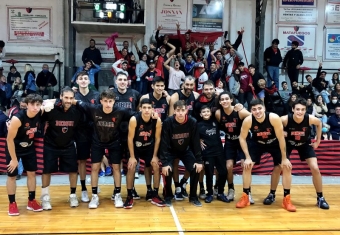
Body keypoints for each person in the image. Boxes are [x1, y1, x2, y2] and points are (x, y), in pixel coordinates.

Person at [73, 89, 136, 209]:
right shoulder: (93, 109)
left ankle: (117, 194)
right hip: (97, 142)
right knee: (95, 168)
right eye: (105, 101)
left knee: (117, 168)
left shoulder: (121, 111)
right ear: (101, 101)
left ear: (114, 102)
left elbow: (137, 115)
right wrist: (55, 101)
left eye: (110, 101)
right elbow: (75, 102)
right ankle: (95, 196)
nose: (108, 104)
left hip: (115, 142)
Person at [236, 99, 296, 212]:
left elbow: (280, 138)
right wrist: (247, 157)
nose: (257, 111)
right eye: (254, 109)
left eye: (259, 108)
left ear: (264, 108)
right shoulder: (248, 120)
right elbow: (242, 138)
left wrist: (284, 158)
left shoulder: (274, 118)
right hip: (257, 143)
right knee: (247, 165)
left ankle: (286, 198)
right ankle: (246, 196)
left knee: (286, 166)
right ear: (251, 111)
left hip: (274, 142)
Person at [281, 98, 329, 209]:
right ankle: (286, 198)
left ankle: (320, 198)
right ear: (293, 109)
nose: (300, 112)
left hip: (304, 143)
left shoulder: (310, 119)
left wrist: (318, 141)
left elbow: (319, 123)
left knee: (315, 168)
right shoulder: (285, 119)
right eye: (297, 109)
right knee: (286, 167)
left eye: (303, 109)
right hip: (289, 144)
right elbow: (273, 123)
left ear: (306, 110)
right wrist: (280, 130)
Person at [40, 87, 84, 210]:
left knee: (73, 171)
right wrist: (44, 105)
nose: (68, 100)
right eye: (66, 97)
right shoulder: (51, 109)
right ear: (61, 96)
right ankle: (45, 197)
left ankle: (73, 195)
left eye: (71, 98)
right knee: (47, 170)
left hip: (69, 144)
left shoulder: (77, 111)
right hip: (50, 144)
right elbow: (38, 117)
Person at [6, 94, 45, 216]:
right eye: (32, 104)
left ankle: (31, 201)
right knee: (12, 175)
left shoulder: (40, 112)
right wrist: (13, 159)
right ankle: (12, 203)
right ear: (26, 105)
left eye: (38, 105)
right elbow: (9, 140)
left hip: (29, 147)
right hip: (14, 148)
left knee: (32, 173)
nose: (35, 107)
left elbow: (52, 102)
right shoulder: (17, 119)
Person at [160, 100, 203, 207]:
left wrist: (199, 160)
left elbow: (195, 142)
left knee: (195, 168)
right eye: (178, 110)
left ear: (186, 111)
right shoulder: (168, 122)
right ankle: (168, 196)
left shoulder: (192, 122)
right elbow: (164, 143)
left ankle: (193, 197)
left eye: (182, 110)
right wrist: (165, 163)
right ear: (174, 111)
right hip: (170, 151)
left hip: (185, 150)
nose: (180, 113)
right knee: (167, 170)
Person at [125, 98, 164, 208]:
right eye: (144, 108)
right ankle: (129, 196)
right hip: (135, 146)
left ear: (152, 109)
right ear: (140, 108)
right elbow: (130, 138)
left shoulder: (157, 120)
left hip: (149, 146)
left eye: (149, 108)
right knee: (131, 166)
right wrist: (132, 157)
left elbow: (157, 138)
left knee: (154, 165)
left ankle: (153, 194)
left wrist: (155, 156)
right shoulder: (134, 119)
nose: (147, 110)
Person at [215, 91, 253, 202]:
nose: (224, 101)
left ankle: (247, 192)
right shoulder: (218, 113)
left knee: (245, 165)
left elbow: (254, 117)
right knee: (228, 166)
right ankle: (231, 189)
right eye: (222, 99)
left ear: (231, 100)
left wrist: (243, 108)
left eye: (227, 99)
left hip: (242, 141)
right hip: (229, 141)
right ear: (220, 102)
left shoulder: (239, 111)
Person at [74, 71, 100, 203]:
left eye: (85, 78)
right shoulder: (73, 96)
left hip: (95, 131)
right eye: (81, 79)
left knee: (96, 161)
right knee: (82, 161)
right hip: (80, 132)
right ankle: (84, 189)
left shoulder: (96, 95)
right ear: (77, 81)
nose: (83, 80)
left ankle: (95, 186)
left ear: (89, 81)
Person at [198, 105, 229, 203]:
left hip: (219, 152)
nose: (206, 113)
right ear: (200, 114)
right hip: (207, 153)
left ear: (210, 113)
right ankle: (210, 193)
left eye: (207, 111)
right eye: (204, 112)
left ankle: (220, 192)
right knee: (209, 174)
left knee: (223, 172)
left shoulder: (216, 122)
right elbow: (193, 137)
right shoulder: (198, 125)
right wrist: (198, 140)